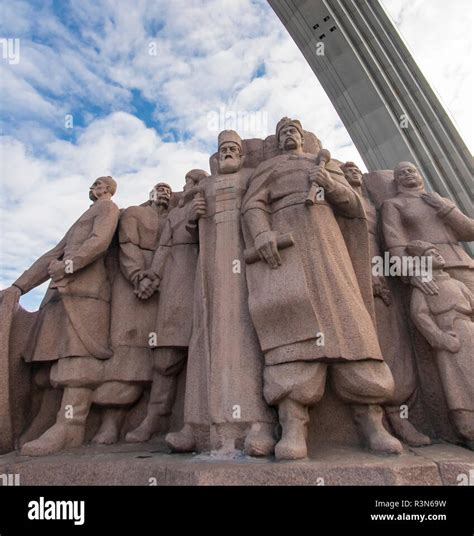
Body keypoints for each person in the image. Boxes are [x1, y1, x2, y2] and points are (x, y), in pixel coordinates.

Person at [241, 118, 401, 460]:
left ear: (303, 137)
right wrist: (262, 234)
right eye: (283, 131)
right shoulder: (269, 168)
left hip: (329, 242)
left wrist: (329, 183)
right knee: (292, 329)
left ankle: (371, 422)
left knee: (349, 324)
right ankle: (294, 424)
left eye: (294, 130)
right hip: (288, 244)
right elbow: (253, 205)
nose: (289, 135)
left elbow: (352, 206)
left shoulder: (324, 164)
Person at [166, 131, 275, 456]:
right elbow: (190, 231)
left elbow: (260, 211)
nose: (228, 153)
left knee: (243, 338)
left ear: (241, 155)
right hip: (209, 269)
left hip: (241, 266)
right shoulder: (206, 186)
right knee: (204, 340)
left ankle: (258, 425)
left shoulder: (251, 177)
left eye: (233, 149)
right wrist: (194, 217)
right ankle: (197, 426)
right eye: (223, 149)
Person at [1, 177, 119, 456]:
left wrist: (68, 266)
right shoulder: (84, 215)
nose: (93, 186)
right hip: (59, 295)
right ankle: (47, 419)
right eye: (94, 183)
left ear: (108, 190)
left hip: (86, 291)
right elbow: (54, 253)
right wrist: (20, 286)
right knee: (50, 361)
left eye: (99, 183)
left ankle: (71, 426)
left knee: (78, 360)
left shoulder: (108, 209)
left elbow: (99, 242)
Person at [341, 162, 430, 447]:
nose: (353, 172)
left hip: (384, 274)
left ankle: (399, 415)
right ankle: (372, 419)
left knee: (394, 345)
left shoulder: (376, 205)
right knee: (366, 345)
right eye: (346, 171)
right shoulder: (339, 203)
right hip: (353, 277)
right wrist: (367, 271)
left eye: (355, 169)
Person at [125, 170, 208, 443]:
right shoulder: (174, 214)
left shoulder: (211, 200)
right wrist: (153, 276)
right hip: (175, 282)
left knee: (207, 351)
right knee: (166, 355)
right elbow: (163, 248)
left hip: (208, 278)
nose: (189, 187)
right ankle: (156, 418)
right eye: (187, 182)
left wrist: (197, 221)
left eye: (195, 182)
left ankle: (198, 422)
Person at [91, 182, 173, 445]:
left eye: (169, 191)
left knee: (161, 356)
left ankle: (155, 419)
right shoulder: (134, 213)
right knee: (125, 354)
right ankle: (110, 423)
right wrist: (139, 276)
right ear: (150, 194)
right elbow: (127, 244)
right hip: (132, 286)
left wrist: (157, 278)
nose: (165, 193)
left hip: (166, 284)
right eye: (160, 189)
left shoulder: (173, 217)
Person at [406, 240, 474, 449]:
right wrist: (439, 338)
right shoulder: (425, 286)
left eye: (437, 251)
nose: (437, 255)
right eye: (430, 253)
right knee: (457, 384)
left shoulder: (459, 284)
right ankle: (468, 430)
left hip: (469, 330)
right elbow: (420, 315)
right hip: (449, 336)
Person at [381, 162, 474, 294]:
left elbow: (470, 232)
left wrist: (443, 207)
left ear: (420, 175)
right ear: (396, 181)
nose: (407, 173)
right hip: (430, 269)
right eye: (401, 173)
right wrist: (411, 271)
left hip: (464, 264)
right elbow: (395, 242)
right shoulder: (393, 204)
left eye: (411, 170)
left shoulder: (443, 201)